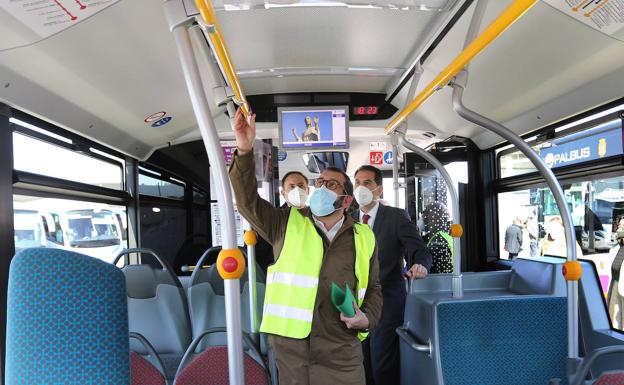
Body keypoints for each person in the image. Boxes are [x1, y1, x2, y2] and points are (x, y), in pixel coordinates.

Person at [230, 108, 382, 385]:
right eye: (320, 182)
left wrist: (367, 319)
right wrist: (244, 149)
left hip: (342, 348)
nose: (322, 187)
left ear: (347, 201)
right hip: (292, 349)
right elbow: (246, 202)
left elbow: (373, 289)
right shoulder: (285, 222)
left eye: (332, 184)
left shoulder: (364, 236)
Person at [353, 165, 432, 385]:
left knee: (382, 363)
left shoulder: (395, 217)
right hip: (356, 302)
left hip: (387, 299)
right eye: (357, 182)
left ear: (379, 189)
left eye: (367, 183)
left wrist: (420, 265)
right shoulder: (348, 219)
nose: (361, 187)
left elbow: (418, 249)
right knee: (360, 362)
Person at [422, 202, 453, 274]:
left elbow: (433, 269)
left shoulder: (438, 240)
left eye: (425, 217)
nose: (423, 220)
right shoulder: (444, 234)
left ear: (435, 218)